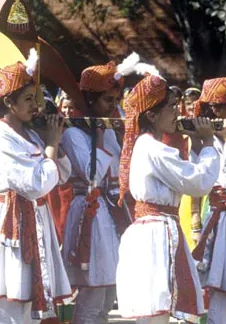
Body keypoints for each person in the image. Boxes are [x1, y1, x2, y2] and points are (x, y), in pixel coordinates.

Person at [0, 52, 73, 323]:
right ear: (8, 103)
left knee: (31, 301)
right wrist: (51, 146)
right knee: (10, 299)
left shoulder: (31, 133)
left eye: (35, 98)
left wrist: (53, 144)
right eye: (28, 99)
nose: (35, 106)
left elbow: (63, 174)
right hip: (11, 225)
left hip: (35, 220)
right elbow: (33, 185)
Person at [116, 66, 220, 324]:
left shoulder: (149, 145)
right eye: (171, 107)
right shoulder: (154, 149)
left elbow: (186, 176)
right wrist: (208, 143)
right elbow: (198, 183)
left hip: (154, 230)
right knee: (157, 312)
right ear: (151, 115)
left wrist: (196, 145)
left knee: (158, 311)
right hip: (156, 235)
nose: (178, 112)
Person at [61, 55, 138, 323]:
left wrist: (119, 136)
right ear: (89, 100)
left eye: (116, 101)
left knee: (108, 295)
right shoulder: (73, 134)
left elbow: (120, 170)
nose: (113, 107)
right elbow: (92, 173)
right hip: (90, 214)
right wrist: (101, 134)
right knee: (92, 295)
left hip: (111, 214)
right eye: (108, 100)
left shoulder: (108, 129)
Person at [189, 74, 226, 323]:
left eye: (222, 105)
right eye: (213, 106)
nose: (217, 112)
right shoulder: (204, 140)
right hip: (222, 222)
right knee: (221, 292)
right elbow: (209, 180)